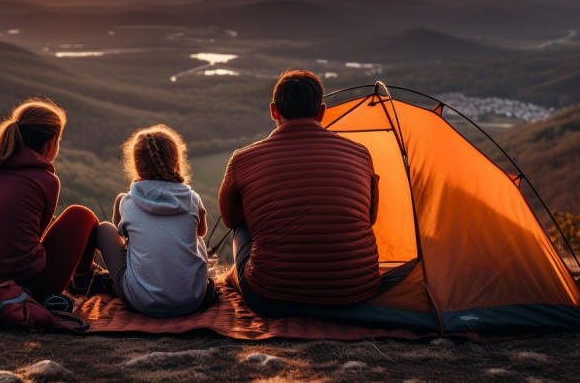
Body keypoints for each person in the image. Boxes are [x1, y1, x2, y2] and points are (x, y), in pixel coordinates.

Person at [219, 70, 380, 316]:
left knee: (242, 225)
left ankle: (233, 278)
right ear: (321, 112)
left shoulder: (243, 160)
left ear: (274, 111)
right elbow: (370, 218)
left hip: (271, 298)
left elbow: (230, 220)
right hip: (355, 292)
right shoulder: (360, 153)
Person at [0, 99, 101, 301]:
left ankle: (87, 278)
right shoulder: (46, 180)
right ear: (51, 142)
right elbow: (39, 234)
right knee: (81, 215)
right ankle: (84, 281)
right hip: (29, 284)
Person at [96, 124, 215, 317]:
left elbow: (122, 238)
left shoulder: (126, 202)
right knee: (196, 238)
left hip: (142, 302)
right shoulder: (192, 199)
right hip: (193, 300)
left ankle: (86, 280)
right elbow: (201, 233)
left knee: (103, 229)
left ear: (136, 165)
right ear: (176, 161)